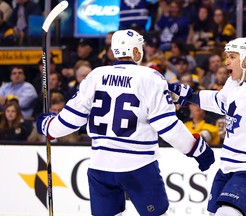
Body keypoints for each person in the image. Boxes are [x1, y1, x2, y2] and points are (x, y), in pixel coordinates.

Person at [36, 29, 215, 216]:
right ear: (137, 52)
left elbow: (73, 117)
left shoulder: (96, 75)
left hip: (100, 167)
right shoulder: (150, 77)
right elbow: (167, 126)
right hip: (139, 166)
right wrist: (196, 150)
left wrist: (50, 127)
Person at [168, 37, 246, 216]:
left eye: (232, 57)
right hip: (227, 165)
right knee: (213, 214)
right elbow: (220, 101)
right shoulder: (233, 83)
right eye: (227, 57)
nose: (227, 62)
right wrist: (190, 96)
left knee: (227, 214)